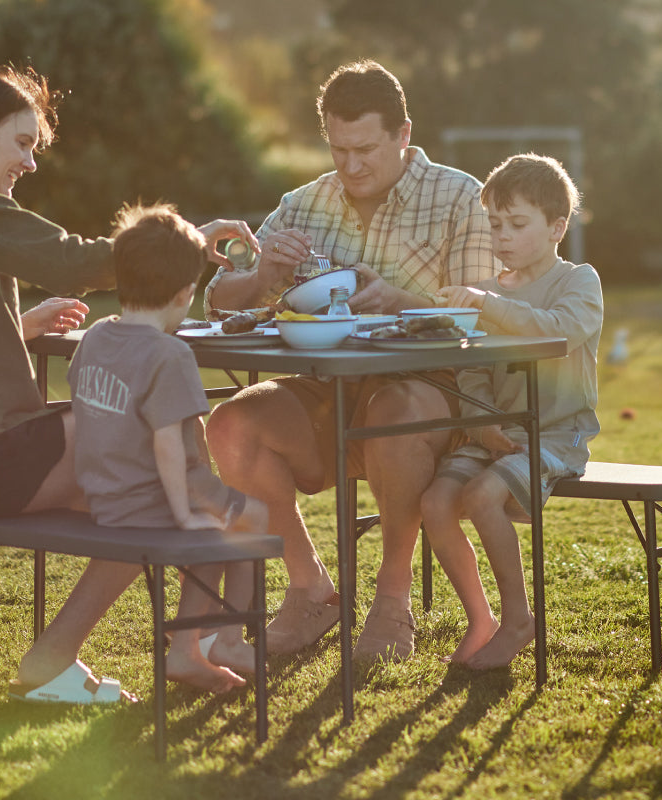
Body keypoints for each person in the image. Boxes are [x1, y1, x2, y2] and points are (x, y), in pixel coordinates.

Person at [0, 65, 256, 703]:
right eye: (21, 143)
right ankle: (176, 643)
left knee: (157, 480)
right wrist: (177, 248)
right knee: (158, 459)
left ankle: (188, 643)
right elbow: (66, 258)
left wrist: (13, 326)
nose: (30, 162)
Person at [202, 60, 498, 663]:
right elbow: (220, 301)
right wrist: (264, 274)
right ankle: (311, 590)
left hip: (429, 394)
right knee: (231, 425)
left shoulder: (460, 196)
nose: (351, 165)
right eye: (339, 150)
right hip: (323, 390)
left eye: (365, 149)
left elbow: (480, 318)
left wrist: (400, 300)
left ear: (403, 134)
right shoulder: (303, 202)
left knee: (391, 412)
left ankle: (392, 600)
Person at [64, 202, 269, 695]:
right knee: (251, 517)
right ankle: (223, 640)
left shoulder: (94, 338)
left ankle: (189, 649)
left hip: (105, 493)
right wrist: (183, 513)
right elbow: (169, 449)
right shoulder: (169, 353)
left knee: (218, 525)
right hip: (152, 498)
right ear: (185, 294)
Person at [421, 153, 603, 670]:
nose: (502, 236)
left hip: (554, 435)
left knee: (481, 494)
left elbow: (558, 331)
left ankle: (519, 618)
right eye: (495, 224)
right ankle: (482, 619)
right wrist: (485, 419)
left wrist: (485, 303)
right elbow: (475, 366)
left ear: (556, 227)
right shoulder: (493, 292)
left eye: (517, 224)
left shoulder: (579, 282)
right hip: (497, 433)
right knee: (434, 502)